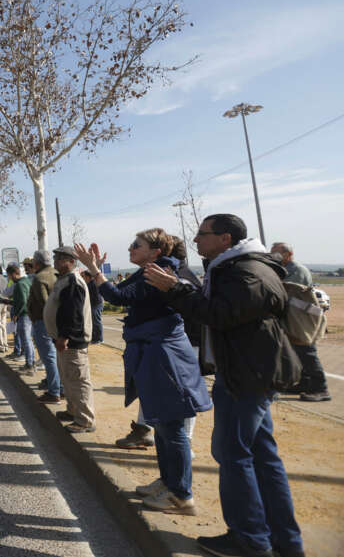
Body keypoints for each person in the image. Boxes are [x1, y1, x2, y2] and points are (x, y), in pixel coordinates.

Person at [145, 214, 305, 557]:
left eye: (203, 234)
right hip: (248, 373)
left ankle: (250, 538)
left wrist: (173, 289)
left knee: (234, 454)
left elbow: (220, 314)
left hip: (246, 376)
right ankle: (283, 541)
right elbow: (224, 310)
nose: (197, 239)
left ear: (226, 238)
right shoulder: (237, 267)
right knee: (262, 456)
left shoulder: (246, 271)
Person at [76, 228, 211, 517]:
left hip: (165, 355)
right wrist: (96, 269)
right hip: (152, 351)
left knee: (172, 427)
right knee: (160, 423)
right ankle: (168, 482)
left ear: (156, 251)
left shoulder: (160, 272)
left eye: (136, 245)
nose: (130, 248)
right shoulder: (151, 268)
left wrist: (94, 270)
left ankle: (181, 496)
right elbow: (124, 294)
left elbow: (119, 297)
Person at [270, 241, 328, 402]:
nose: (273, 256)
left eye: (276, 253)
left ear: (288, 255)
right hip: (290, 317)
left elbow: (284, 290)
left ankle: (321, 388)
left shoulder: (297, 271)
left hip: (301, 319)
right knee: (296, 353)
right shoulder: (284, 269)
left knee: (307, 353)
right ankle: (304, 383)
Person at [46, 247, 95, 432]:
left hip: (72, 341)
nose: (56, 261)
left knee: (78, 380)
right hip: (63, 340)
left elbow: (73, 313)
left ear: (72, 261)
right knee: (68, 378)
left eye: (60, 259)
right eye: (55, 258)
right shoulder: (64, 279)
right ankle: (73, 411)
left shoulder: (73, 281)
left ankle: (85, 420)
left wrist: (65, 336)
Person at [27, 250, 62, 404]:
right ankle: (60, 388)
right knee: (56, 357)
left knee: (49, 357)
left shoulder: (39, 278)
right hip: (57, 322)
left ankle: (54, 391)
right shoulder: (57, 274)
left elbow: (44, 303)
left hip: (43, 322)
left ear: (37, 263)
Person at [7, 264, 36, 374]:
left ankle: (30, 365)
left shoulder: (20, 284)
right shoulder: (27, 281)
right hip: (29, 314)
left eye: (10, 276)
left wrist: (16, 314)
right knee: (28, 341)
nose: (10, 278)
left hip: (24, 315)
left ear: (14, 274)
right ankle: (31, 363)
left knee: (26, 341)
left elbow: (23, 302)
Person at [82, 269, 104, 344]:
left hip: (96, 304)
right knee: (93, 322)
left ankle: (99, 339)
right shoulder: (89, 283)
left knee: (96, 322)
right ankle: (94, 338)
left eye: (83, 276)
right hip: (93, 304)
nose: (82, 277)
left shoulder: (92, 284)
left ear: (88, 277)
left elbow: (94, 297)